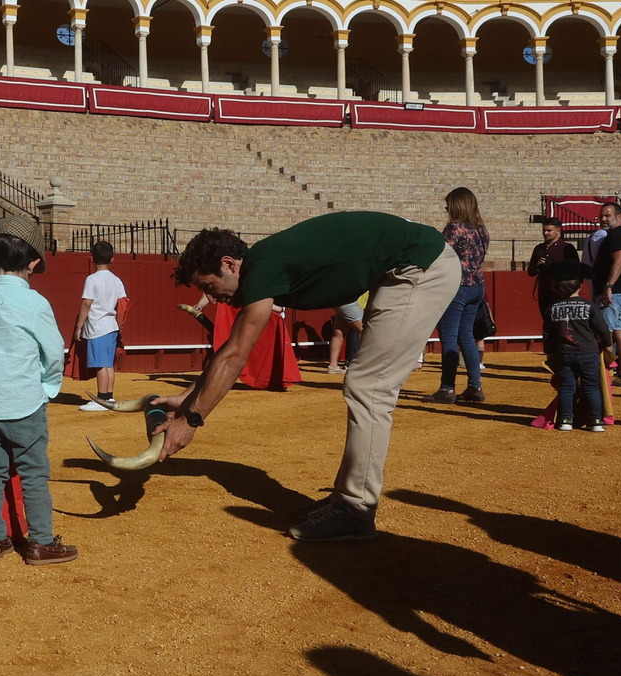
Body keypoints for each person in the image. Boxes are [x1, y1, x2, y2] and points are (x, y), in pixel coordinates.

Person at [158, 212, 459, 542]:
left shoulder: (263, 267)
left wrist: (190, 420)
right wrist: (189, 397)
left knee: (369, 387)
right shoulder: (263, 264)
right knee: (365, 385)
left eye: (209, 287)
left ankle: (356, 510)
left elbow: (234, 357)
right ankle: (345, 499)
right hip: (402, 268)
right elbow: (230, 350)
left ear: (229, 265)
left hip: (419, 266)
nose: (213, 298)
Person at [0, 214, 77, 566]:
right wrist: (47, 388)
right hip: (24, 404)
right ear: (34, 263)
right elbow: (53, 355)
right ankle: (40, 543)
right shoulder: (36, 303)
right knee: (33, 474)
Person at [429, 187, 489, 404]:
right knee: (467, 337)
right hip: (477, 286)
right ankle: (475, 386)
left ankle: (447, 388)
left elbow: (440, 257)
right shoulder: (481, 229)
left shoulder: (454, 229)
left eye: (448, 206)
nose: (447, 210)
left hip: (456, 287)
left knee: (449, 338)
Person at [540, 259, 610, 432]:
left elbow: (547, 334)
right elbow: (603, 329)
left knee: (566, 388)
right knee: (591, 387)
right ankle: (596, 421)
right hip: (589, 353)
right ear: (580, 284)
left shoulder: (552, 308)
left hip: (563, 354)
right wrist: (607, 344)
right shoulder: (589, 306)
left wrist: (550, 353)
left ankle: (565, 420)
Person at [74, 240, 129, 411]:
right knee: (108, 364)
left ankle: (102, 399)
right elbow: (123, 304)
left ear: (92, 258)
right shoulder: (116, 280)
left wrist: (79, 326)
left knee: (100, 364)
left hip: (97, 327)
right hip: (111, 326)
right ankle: (109, 397)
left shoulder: (92, 279)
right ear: (112, 259)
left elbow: (87, 303)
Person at [593, 202, 621, 389]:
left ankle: (604, 377)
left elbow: (619, 262)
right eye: (601, 215)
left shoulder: (616, 235)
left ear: (618, 217)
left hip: (615, 293)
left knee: (605, 333)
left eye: (607, 215)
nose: (603, 219)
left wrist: (608, 286)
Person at [526, 216, 579, 319]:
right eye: (544, 230)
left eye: (549, 230)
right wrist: (537, 266)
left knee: (562, 321)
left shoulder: (567, 248)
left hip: (562, 292)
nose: (545, 233)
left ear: (558, 231)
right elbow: (530, 272)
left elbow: (576, 270)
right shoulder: (539, 249)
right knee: (547, 320)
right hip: (544, 291)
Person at [325, 301, 364, 376]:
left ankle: (333, 365)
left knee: (339, 333)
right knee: (364, 329)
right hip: (348, 301)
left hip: (338, 301)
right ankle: (363, 363)